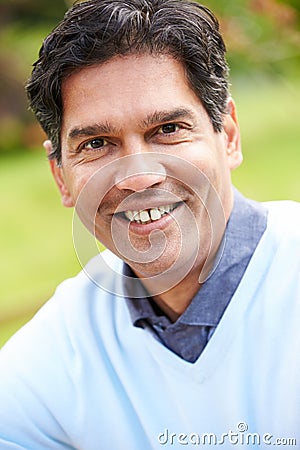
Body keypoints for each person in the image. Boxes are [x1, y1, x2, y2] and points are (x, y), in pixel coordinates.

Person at [0, 0, 299, 448]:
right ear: (61, 175)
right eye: (97, 143)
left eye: (168, 129)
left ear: (229, 135)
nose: (139, 175)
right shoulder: (45, 365)